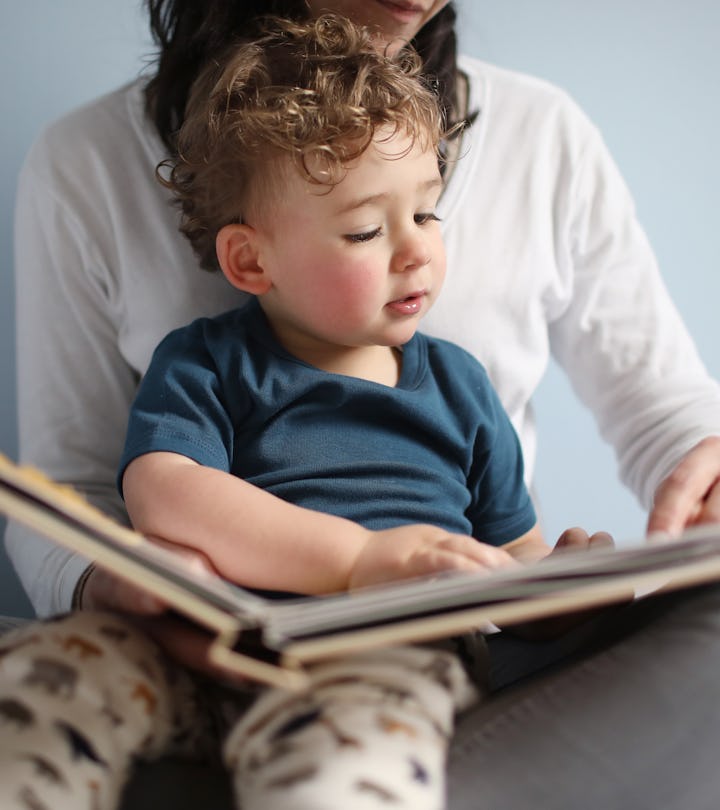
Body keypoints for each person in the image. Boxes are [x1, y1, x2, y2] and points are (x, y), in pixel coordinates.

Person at [4, 1, 720, 808]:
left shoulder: (459, 386)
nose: (418, 248)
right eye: (362, 233)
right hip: (192, 648)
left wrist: (556, 593)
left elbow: (506, 557)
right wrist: (354, 561)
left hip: (388, 655)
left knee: (348, 766)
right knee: (37, 688)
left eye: (427, 213)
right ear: (248, 259)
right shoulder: (206, 359)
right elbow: (163, 488)